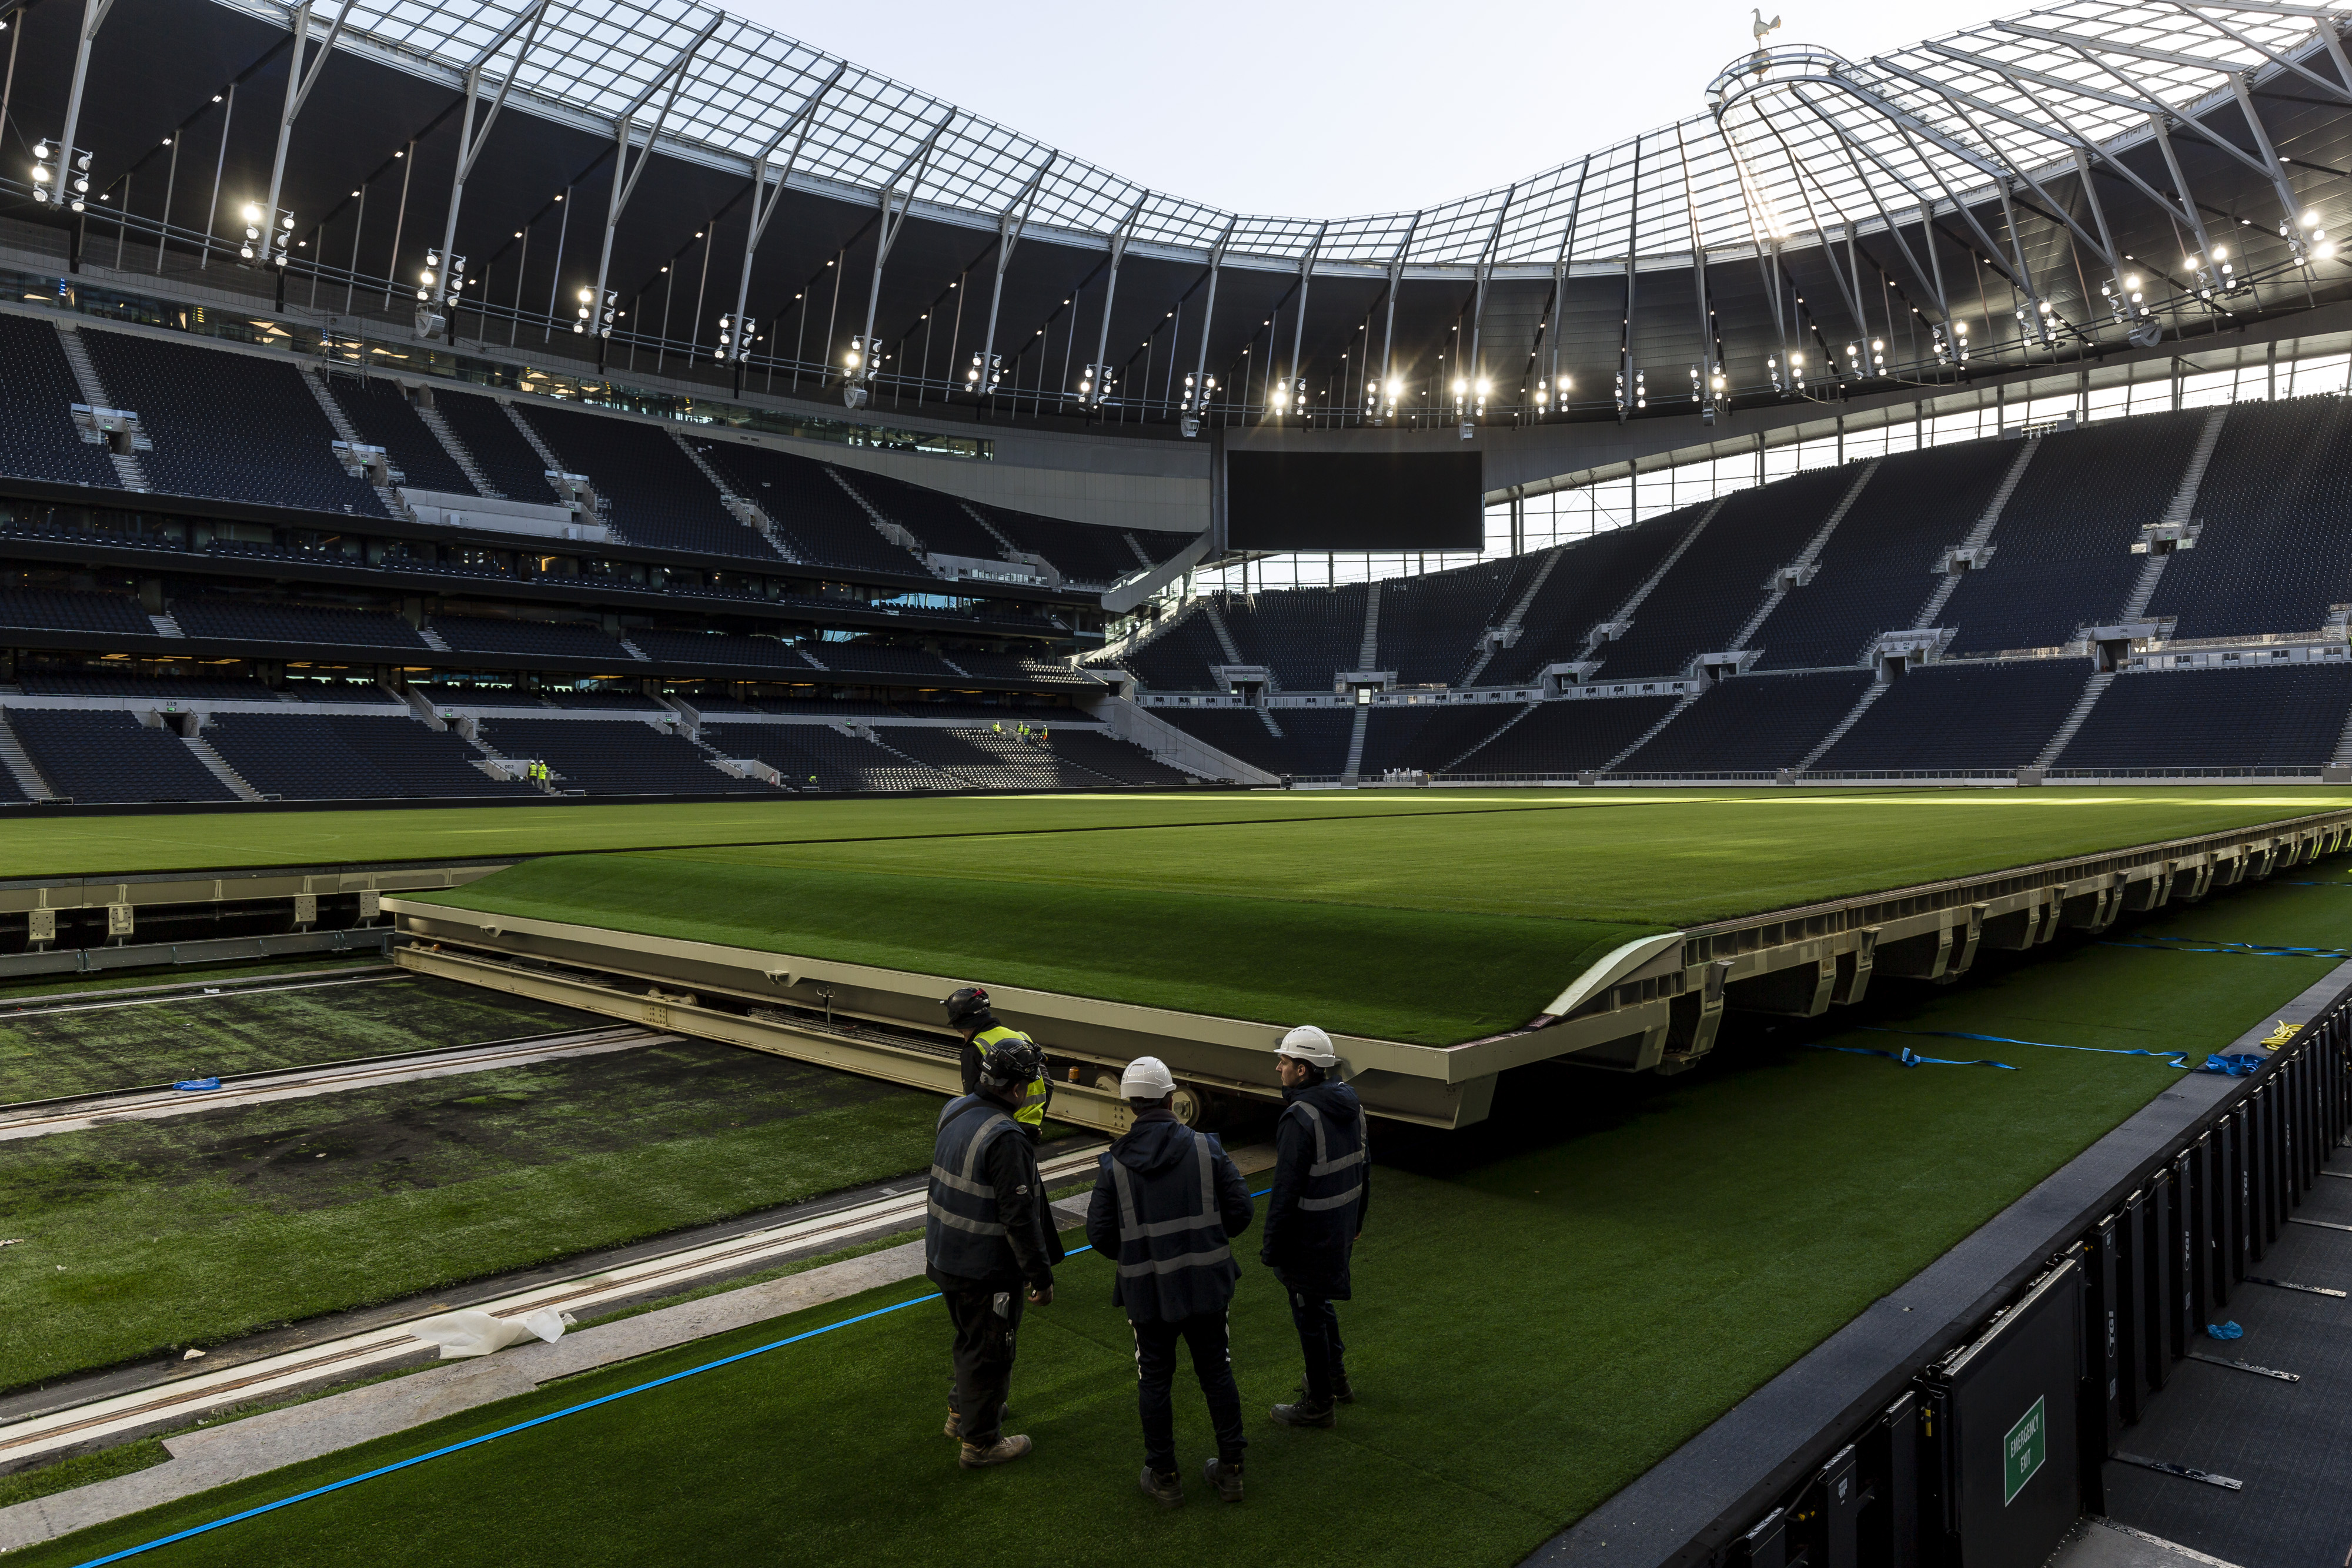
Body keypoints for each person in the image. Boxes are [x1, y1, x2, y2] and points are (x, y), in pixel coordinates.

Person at [1084, 1057, 1254, 1509]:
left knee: (1154, 1379)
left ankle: (1165, 1476)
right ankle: (1232, 1470)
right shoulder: (1206, 1148)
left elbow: (1099, 1234)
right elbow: (1241, 1211)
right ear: (1169, 1096)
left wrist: (1139, 1254)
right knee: (1217, 1370)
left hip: (1147, 1291)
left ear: (1130, 1104)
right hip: (1207, 1285)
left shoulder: (1114, 1164)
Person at [924, 1032, 1060, 1468]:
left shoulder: (955, 1108)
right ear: (1018, 1089)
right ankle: (980, 1442)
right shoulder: (1007, 1138)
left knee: (970, 1338)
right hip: (985, 1267)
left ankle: (963, 1412)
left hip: (946, 1255)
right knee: (992, 1349)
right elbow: (1020, 1218)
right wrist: (1040, 1276)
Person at [1259, 1024, 1369, 1429]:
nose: (1279, 1068)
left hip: (1307, 1237)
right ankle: (1335, 1378)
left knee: (1308, 1312)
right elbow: (1364, 1166)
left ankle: (1320, 1402)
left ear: (1303, 1070)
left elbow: (1285, 1192)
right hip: (1339, 1229)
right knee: (1320, 1301)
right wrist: (1356, 1221)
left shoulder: (1299, 1118)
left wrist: (1272, 1248)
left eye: (1285, 1061)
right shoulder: (1353, 1106)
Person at [945, 985, 1051, 1141]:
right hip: (1030, 1128)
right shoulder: (1022, 1037)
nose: (964, 1038)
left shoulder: (974, 1049)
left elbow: (974, 1101)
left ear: (965, 1024)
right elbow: (1047, 1084)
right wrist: (1032, 1123)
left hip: (1000, 1132)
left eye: (962, 1033)